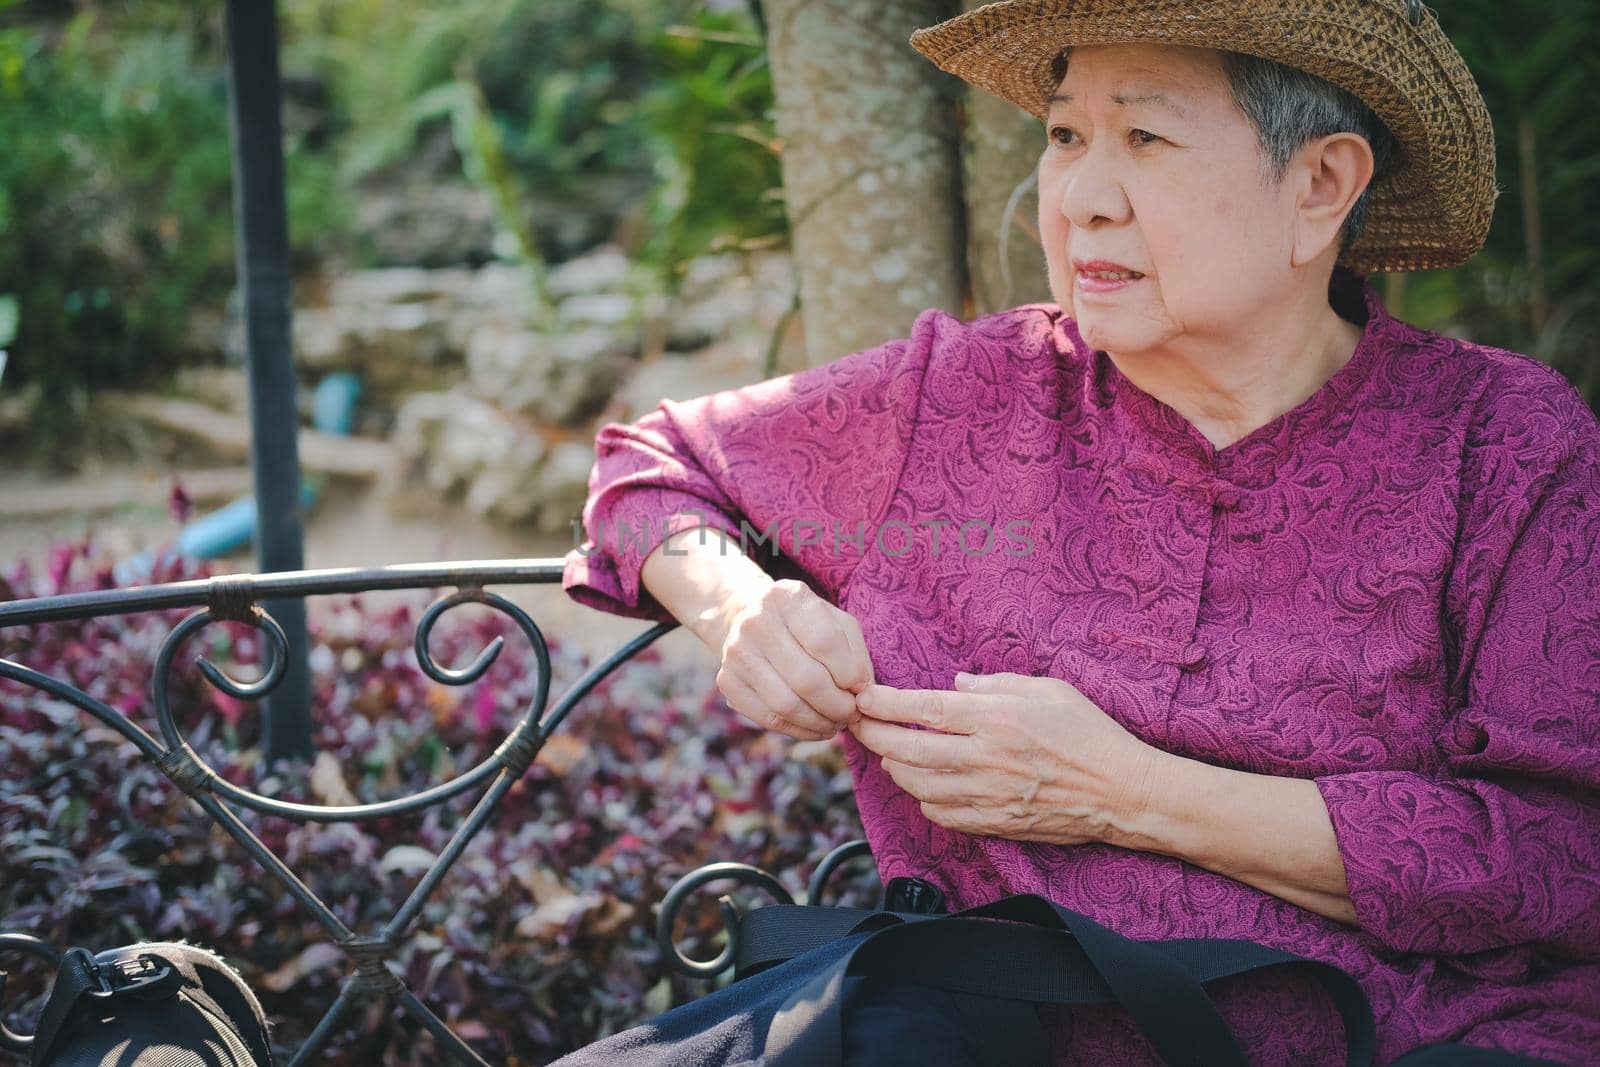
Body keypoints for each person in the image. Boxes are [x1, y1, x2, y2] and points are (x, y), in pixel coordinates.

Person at [561, 0, 1600, 1061]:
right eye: (1064, 137)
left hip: (1414, 1034)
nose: (1081, 200)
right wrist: (742, 606)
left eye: (1143, 138)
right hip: (993, 1025)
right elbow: (648, 467)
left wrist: (1126, 792)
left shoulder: (1503, 445)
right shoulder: (955, 396)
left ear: (1320, 186)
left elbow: (1565, 859)